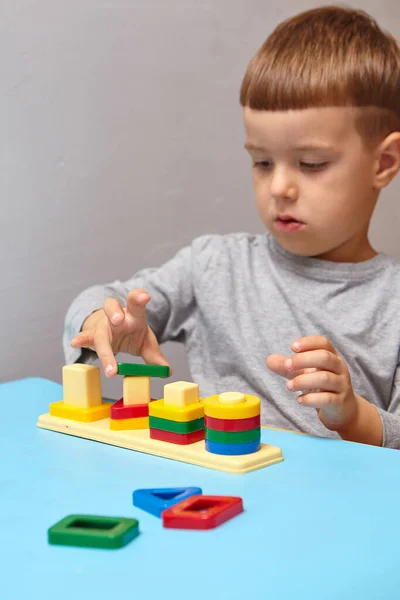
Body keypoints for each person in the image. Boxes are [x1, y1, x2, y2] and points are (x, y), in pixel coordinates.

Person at [63, 6, 400, 449]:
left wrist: (353, 415)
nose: (279, 186)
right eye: (262, 161)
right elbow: (106, 300)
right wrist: (102, 321)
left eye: (311, 164)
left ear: (383, 163)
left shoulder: (392, 303)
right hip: (210, 503)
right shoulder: (214, 265)